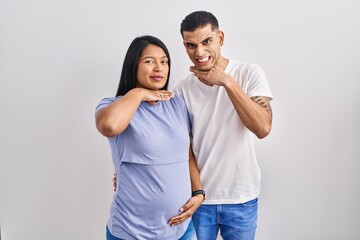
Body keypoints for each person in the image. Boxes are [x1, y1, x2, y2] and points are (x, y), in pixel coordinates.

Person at [172, 11, 273, 240]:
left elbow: (263, 128)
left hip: (241, 198)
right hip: (198, 199)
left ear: (221, 38)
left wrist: (226, 81)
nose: (199, 52)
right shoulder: (182, 89)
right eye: (191, 45)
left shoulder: (249, 74)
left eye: (207, 41)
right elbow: (181, 148)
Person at [95, 35, 204, 240]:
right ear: (133, 65)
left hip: (181, 230)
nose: (159, 68)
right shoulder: (113, 104)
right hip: (131, 232)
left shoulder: (177, 104)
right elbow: (109, 126)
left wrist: (199, 192)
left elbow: (187, 156)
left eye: (164, 61)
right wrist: (138, 93)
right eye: (149, 61)